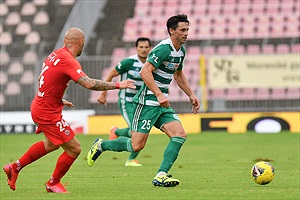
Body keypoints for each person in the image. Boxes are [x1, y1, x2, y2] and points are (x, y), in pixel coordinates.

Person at [2, 27, 135, 193]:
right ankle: (53, 182)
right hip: (46, 112)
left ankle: (15, 167)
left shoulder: (55, 54)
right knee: (74, 149)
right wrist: (117, 85)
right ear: (80, 42)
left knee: (51, 145)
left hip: (42, 105)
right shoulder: (69, 60)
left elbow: (42, 78)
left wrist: (55, 98)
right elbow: (88, 83)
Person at [87, 14, 200, 187]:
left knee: (179, 135)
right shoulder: (163, 49)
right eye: (182, 30)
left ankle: (161, 175)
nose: (186, 33)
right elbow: (145, 72)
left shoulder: (180, 51)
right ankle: (102, 145)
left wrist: (191, 94)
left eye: (187, 29)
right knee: (136, 146)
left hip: (162, 105)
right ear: (171, 31)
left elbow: (178, 75)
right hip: (146, 103)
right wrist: (159, 94)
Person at [98, 37, 152, 167]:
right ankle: (130, 160)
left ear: (150, 48)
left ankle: (116, 132)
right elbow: (111, 74)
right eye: (141, 47)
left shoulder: (151, 63)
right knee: (137, 131)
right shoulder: (129, 62)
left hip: (142, 103)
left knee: (143, 130)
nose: (144, 50)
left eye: (146, 47)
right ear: (136, 48)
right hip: (127, 102)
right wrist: (103, 93)